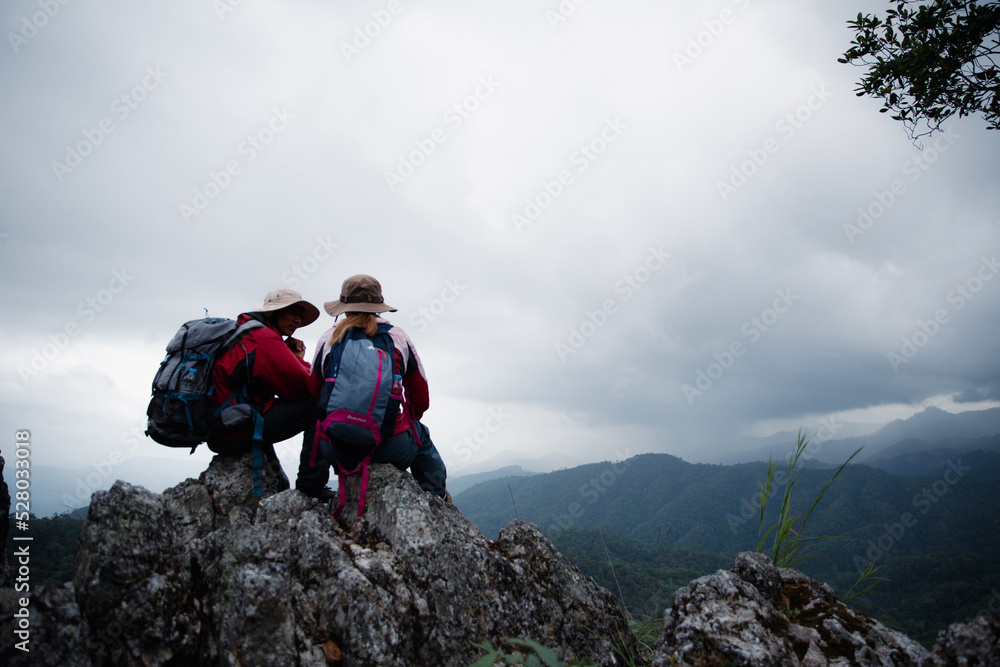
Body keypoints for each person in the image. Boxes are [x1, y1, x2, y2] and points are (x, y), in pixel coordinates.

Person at [295, 274, 450, 503]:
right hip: (388, 446)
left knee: (318, 424)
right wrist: (396, 421)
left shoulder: (329, 338)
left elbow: (315, 389)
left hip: (336, 451)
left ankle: (311, 490)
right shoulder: (396, 337)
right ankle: (435, 499)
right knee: (421, 435)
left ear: (344, 307)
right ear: (378, 307)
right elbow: (420, 399)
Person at [207, 288, 323, 489]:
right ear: (274, 312)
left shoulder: (245, 331)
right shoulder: (263, 338)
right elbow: (304, 387)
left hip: (224, 426)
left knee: (280, 486)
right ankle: (311, 486)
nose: (298, 320)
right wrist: (298, 359)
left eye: (300, 315)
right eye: (293, 312)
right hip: (235, 429)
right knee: (319, 403)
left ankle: (281, 486)